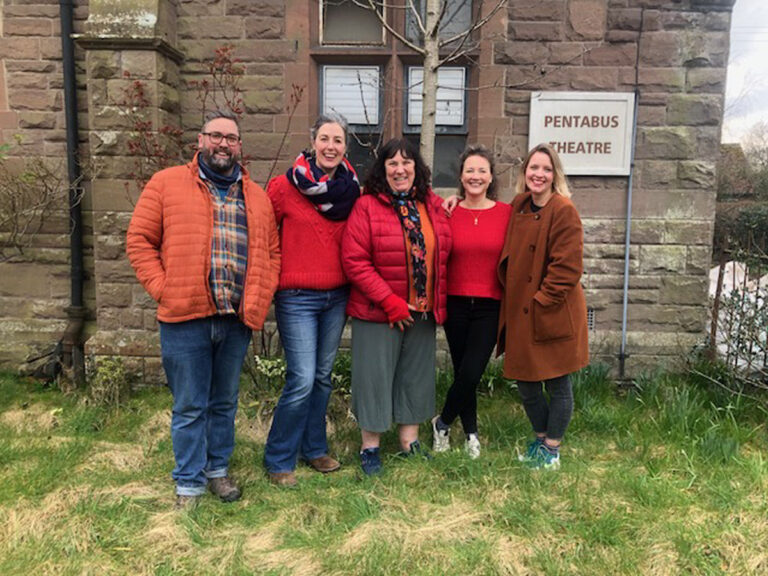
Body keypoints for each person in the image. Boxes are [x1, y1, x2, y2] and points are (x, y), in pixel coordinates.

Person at [126, 110, 281, 508]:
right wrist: (165, 289)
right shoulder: (166, 184)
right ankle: (188, 483)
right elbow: (139, 241)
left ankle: (217, 470)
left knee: (225, 402)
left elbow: (272, 254)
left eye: (231, 138)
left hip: (234, 320)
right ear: (200, 140)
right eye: (216, 136)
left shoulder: (257, 197)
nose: (223, 144)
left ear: (240, 146)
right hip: (184, 318)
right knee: (191, 404)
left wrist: (260, 297)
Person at [342, 138, 451, 475]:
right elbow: (354, 260)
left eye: (406, 162)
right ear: (383, 170)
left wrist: (456, 203)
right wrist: (390, 302)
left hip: (422, 310)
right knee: (374, 377)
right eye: (392, 163)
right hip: (378, 312)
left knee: (414, 377)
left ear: (416, 169)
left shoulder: (429, 205)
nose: (400, 169)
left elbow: (446, 243)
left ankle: (409, 442)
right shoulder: (367, 206)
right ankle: (370, 447)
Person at [263, 113, 361, 487]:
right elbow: (263, 234)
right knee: (302, 378)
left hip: (337, 295)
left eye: (337, 140)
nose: (331, 146)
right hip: (297, 297)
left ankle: (314, 447)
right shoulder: (284, 187)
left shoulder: (353, 190)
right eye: (324, 139)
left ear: (345, 147)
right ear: (313, 142)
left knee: (322, 377)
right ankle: (278, 458)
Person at [497, 143, 589, 470]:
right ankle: (540, 439)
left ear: (555, 175)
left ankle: (552, 450)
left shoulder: (564, 210)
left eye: (546, 169)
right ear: (525, 173)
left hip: (549, 311)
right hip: (520, 311)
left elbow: (567, 268)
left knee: (557, 383)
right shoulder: (519, 205)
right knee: (526, 384)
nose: (539, 174)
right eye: (534, 168)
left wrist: (541, 302)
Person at [430, 145, 511, 459]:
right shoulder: (447, 211)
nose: (475, 176)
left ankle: (443, 422)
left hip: (491, 303)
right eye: (470, 171)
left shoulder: (506, 214)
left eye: (482, 171)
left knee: (473, 370)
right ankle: (472, 435)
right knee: (464, 370)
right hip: (456, 303)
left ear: (491, 177)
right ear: (461, 177)